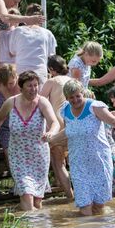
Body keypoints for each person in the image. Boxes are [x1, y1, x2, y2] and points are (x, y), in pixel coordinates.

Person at [0, 71, 60, 211]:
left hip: (39, 156)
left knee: (37, 201)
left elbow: (55, 122)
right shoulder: (11, 102)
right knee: (26, 194)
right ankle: (32, 226)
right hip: (18, 156)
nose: (34, 89)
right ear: (21, 87)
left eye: (36, 85)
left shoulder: (42, 102)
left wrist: (51, 132)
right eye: (30, 86)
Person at [49, 80, 115, 215]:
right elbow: (69, 131)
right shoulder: (65, 110)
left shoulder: (94, 106)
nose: (75, 99)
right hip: (78, 163)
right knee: (84, 205)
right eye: (71, 97)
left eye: (78, 95)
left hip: (99, 161)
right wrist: (51, 139)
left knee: (98, 207)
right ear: (66, 98)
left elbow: (112, 121)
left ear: (82, 94)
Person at [40, 55, 73, 200]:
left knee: (58, 163)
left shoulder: (51, 81)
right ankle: (64, 185)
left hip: (58, 126)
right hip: (72, 123)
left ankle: (70, 197)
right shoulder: (72, 80)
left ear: (51, 69)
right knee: (73, 162)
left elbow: (39, 100)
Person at [9, 3, 57, 88]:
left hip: (21, 72)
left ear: (26, 16)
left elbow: (12, 51)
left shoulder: (17, 31)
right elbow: (51, 57)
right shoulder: (48, 33)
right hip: (40, 73)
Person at [0, 64, 20, 169]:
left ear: (16, 76)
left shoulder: (22, 85)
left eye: (11, 83)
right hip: (4, 126)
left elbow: (17, 106)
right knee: (9, 153)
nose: (9, 86)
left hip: (19, 124)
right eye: (6, 84)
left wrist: (5, 92)